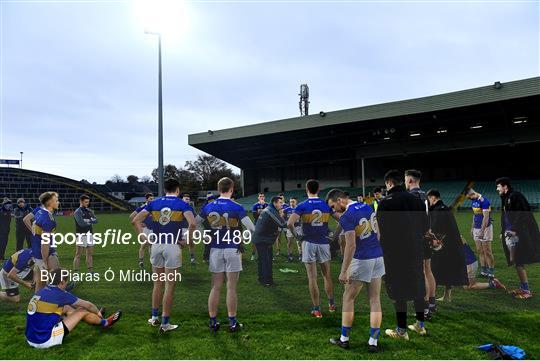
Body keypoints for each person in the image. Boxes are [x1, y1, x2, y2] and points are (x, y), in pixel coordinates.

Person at [133, 178, 196, 333]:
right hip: (172, 246)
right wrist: (187, 241)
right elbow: (193, 223)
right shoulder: (182, 204)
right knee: (169, 286)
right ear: (178, 189)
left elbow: (135, 220)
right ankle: (165, 323)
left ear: (165, 189)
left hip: (156, 245)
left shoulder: (154, 202)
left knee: (157, 284)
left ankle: (154, 318)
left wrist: (142, 236)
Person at [326, 189, 384, 352]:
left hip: (362, 258)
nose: (334, 210)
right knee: (374, 299)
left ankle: (344, 339)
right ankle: (373, 342)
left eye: (333, 206)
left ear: (339, 200)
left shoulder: (347, 216)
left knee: (348, 298)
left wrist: (344, 271)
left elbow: (351, 245)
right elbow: (378, 233)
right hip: (378, 256)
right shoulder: (367, 206)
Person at [196, 177, 255, 332]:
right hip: (232, 249)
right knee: (231, 287)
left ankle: (213, 322)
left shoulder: (209, 206)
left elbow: (194, 223)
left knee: (215, 287)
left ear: (218, 188)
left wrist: (205, 236)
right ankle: (232, 322)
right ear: (231, 188)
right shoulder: (236, 206)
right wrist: (243, 239)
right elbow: (252, 228)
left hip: (215, 249)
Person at [377, 170, 429, 340]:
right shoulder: (417, 200)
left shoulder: (385, 203)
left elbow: (382, 232)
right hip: (415, 249)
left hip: (395, 252)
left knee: (398, 289)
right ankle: (420, 325)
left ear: (389, 183)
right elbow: (425, 226)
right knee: (418, 283)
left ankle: (401, 330)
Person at [25, 268, 121, 349]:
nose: (67, 284)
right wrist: (98, 313)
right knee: (81, 311)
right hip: (44, 340)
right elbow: (88, 305)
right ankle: (105, 322)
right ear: (62, 282)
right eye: (66, 281)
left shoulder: (42, 291)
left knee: (67, 307)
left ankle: (94, 321)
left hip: (30, 337)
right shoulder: (60, 294)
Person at [287, 179, 339, 318]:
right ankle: (331, 304)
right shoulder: (325, 205)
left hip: (309, 243)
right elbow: (343, 220)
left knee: (312, 278)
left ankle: (317, 309)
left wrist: (298, 237)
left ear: (307, 189)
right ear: (318, 189)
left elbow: (290, 223)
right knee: (327, 275)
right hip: (323, 243)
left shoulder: (302, 205)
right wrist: (334, 237)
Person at [496, 177, 540, 299]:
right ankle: (523, 287)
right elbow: (506, 218)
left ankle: (526, 291)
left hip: (519, 234)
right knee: (517, 261)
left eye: (498, 186)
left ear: (505, 186)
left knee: (519, 260)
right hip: (512, 234)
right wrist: (503, 231)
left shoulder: (516, 196)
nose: (497, 189)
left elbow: (523, 214)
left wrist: (513, 229)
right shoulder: (505, 198)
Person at [404, 169, 436, 319]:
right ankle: (431, 304)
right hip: (426, 235)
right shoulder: (425, 196)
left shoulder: (409, 196)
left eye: (405, 180)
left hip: (415, 239)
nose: (405, 183)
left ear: (410, 180)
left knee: (420, 273)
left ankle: (423, 309)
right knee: (427, 271)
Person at [426, 189, 469, 295]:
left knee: (434, 269)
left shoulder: (438, 210)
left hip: (443, 244)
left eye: (429, 199)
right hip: (451, 244)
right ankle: (447, 296)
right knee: (447, 269)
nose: (428, 202)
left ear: (433, 197)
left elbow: (435, 228)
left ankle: (432, 296)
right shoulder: (444, 208)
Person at [438, 236, 506, 301]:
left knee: (469, 286)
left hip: (470, 264)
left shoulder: (454, 239)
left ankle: (493, 284)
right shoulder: (452, 238)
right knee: (450, 274)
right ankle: (446, 296)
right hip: (465, 264)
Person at [252, 196, 286, 286]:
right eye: (280, 203)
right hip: (263, 240)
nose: (281, 205)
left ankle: (262, 279)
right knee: (266, 260)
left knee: (262, 260)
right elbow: (282, 224)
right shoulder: (271, 211)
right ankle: (268, 281)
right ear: (275, 203)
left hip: (261, 239)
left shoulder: (269, 209)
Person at [32, 192, 61, 292]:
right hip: (45, 252)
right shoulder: (48, 219)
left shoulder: (40, 212)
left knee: (41, 283)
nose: (58, 202)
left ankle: (35, 305)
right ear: (49, 202)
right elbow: (45, 243)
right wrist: (44, 261)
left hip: (37, 250)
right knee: (56, 278)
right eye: (56, 200)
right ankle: (60, 304)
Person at [466, 189, 495, 278]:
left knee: (487, 251)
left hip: (485, 228)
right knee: (480, 250)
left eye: (469, 197)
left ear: (472, 194)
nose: (469, 199)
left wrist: (482, 231)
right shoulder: (474, 200)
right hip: (476, 228)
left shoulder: (484, 201)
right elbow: (475, 215)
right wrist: (472, 227)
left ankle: (491, 272)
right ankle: (484, 271)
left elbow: (486, 217)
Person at [73, 195, 97, 275]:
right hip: (81, 235)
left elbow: (96, 220)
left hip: (90, 234)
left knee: (89, 253)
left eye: (88, 202)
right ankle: (76, 272)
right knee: (78, 254)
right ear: (81, 202)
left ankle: (90, 271)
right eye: (86, 202)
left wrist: (89, 220)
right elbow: (81, 224)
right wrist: (90, 221)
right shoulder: (77, 212)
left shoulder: (89, 211)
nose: (87, 203)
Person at [130, 193, 154, 269]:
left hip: (153, 228)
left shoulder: (154, 206)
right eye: (150, 199)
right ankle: (141, 261)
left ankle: (152, 262)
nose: (152, 200)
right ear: (147, 199)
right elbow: (132, 216)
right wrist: (139, 223)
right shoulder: (143, 207)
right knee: (144, 245)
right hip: (145, 229)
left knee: (152, 245)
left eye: (153, 198)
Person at [283, 197, 302, 262]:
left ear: (296, 202)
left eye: (293, 201)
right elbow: (283, 217)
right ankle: (290, 255)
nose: (292, 203)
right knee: (289, 242)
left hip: (298, 227)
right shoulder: (286, 210)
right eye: (291, 202)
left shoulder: (299, 209)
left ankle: (301, 255)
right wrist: (286, 223)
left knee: (299, 242)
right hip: (290, 228)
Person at [251, 193, 268, 261]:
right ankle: (253, 254)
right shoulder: (255, 205)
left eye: (263, 196)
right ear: (258, 197)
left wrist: (263, 208)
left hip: (266, 225)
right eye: (260, 196)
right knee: (255, 240)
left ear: (264, 197)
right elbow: (255, 216)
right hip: (257, 224)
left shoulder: (267, 205)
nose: (262, 197)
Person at [180, 193, 197, 265]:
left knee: (191, 243)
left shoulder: (190, 208)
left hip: (189, 228)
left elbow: (195, 217)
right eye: (186, 199)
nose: (188, 200)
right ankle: (178, 260)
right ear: (182, 199)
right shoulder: (179, 206)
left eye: (188, 199)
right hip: (181, 228)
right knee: (181, 244)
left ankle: (192, 259)